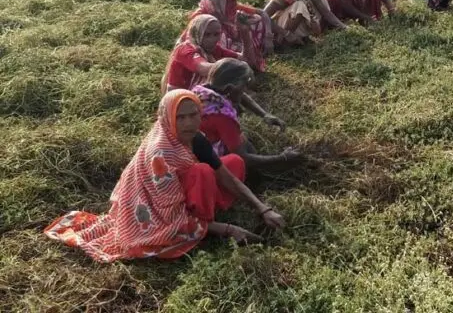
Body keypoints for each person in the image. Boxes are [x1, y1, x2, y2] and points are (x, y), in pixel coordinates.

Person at [44, 90, 285, 263]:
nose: (189, 123)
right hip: (155, 206)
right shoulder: (159, 154)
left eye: (194, 115)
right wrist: (229, 229)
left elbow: (225, 176)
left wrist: (262, 209)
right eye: (181, 117)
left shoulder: (196, 139)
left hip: (179, 189)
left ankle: (205, 219)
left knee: (233, 162)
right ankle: (204, 225)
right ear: (167, 117)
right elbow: (170, 213)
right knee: (201, 172)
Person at [193, 59, 300, 173]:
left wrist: (265, 114)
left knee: (243, 141)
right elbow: (243, 158)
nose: (245, 90)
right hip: (203, 163)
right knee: (241, 152)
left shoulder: (204, 92)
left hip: (194, 148)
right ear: (229, 88)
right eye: (243, 86)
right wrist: (282, 158)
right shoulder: (222, 116)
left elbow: (241, 95)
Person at [191, 0, 273, 73]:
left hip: (230, 47)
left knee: (256, 20)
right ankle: (232, 64)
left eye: (234, 0)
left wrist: (268, 37)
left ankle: (248, 53)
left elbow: (262, 13)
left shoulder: (229, 7)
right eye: (231, 0)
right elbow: (194, 44)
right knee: (221, 35)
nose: (234, 4)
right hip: (212, 54)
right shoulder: (201, 17)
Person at [162, 15, 243, 93]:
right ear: (197, 33)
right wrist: (233, 67)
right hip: (180, 97)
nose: (212, 39)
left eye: (216, 34)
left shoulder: (214, 49)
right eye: (207, 35)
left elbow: (245, 59)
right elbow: (204, 69)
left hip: (198, 94)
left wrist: (245, 32)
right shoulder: (185, 49)